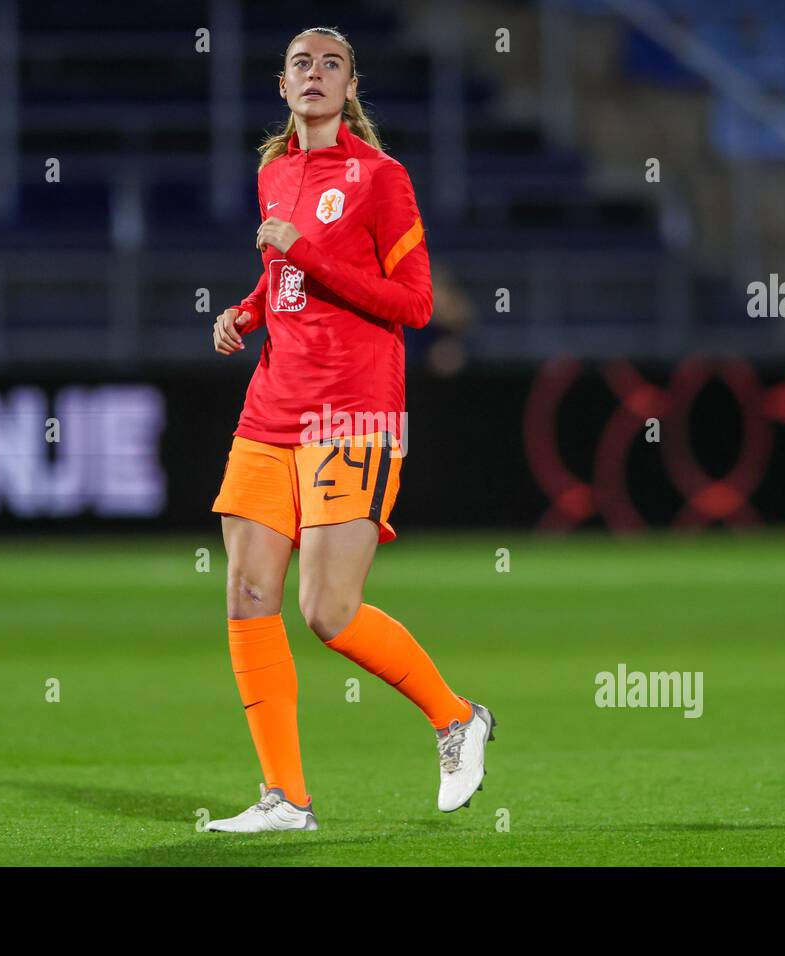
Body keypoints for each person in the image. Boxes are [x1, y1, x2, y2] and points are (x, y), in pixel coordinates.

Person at [205, 26, 495, 833]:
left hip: (353, 410)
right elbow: (282, 279)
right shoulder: (273, 173)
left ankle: (455, 719)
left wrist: (311, 255)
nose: (316, 74)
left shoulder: (382, 178)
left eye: (331, 64)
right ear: (282, 83)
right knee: (247, 591)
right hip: (272, 407)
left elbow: (415, 303)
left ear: (350, 86)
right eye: (302, 62)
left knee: (328, 611)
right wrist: (246, 313)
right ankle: (284, 798)